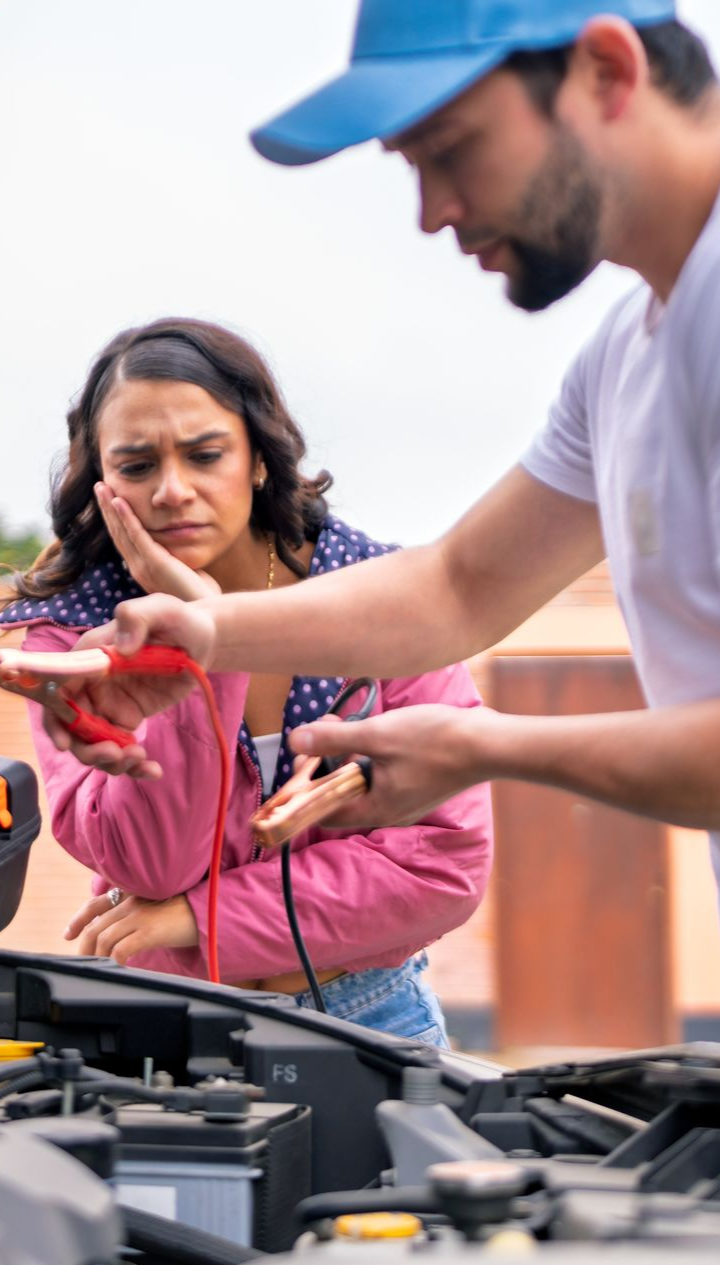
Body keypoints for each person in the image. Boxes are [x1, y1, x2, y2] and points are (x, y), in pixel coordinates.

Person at [33, 0, 720, 906]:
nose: (433, 213)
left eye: (450, 148)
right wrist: (203, 632)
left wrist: (480, 746)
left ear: (605, 70)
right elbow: (458, 587)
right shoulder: (627, 353)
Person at [0, 316, 494, 1045]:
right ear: (102, 479)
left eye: (205, 455)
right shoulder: (72, 639)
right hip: (164, 1029)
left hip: (371, 1019)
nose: (172, 490)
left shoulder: (382, 602)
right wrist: (199, 647)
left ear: (259, 459)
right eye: (136, 466)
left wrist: (198, 917)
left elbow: (444, 864)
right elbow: (151, 862)